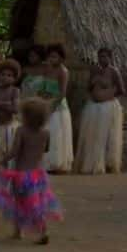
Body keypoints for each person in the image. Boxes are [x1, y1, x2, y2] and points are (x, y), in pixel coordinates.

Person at [0, 98, 62, 245]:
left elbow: (15, 151)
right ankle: (43, 231)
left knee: (19, 202)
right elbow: (46, 149)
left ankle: (18, 231)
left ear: (26, 116)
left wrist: (1, 160)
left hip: (21, 175)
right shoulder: (45, 133)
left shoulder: (21, 131)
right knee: (37, 203)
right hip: (38, 175)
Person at [74, 47, 126, 174]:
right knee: (92, 136)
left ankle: (107, 164)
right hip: (93, 107)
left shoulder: (114, 72)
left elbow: (121, 90)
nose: (102, 59)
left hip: (108, 107)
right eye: (100, 56)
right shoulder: (94, 70)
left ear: (110, 58)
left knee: (105, 137)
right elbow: (88, 87)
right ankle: (91, 164)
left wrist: (109, 94)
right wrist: (94, 82)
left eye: (105, 56)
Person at [40, 44, 74, 173]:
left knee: (56, 134)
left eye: (54, 56)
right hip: (45, 103)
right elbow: (43, 86)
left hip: (58, 107)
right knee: (45, 134)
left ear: (61, 58)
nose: (51, 59)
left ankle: (56, 163)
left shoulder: (63, 71)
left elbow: (62, 93)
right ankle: (44, 163)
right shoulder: (47, 69)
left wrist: (52, 107)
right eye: (49, 56)